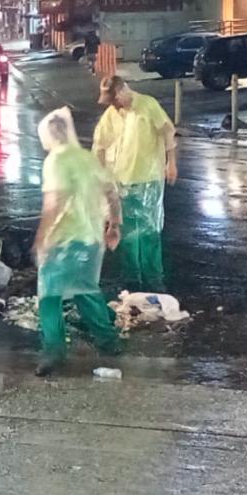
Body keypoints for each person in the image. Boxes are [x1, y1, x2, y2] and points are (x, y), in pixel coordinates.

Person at [33, 107, 123, 376]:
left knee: (49, 297)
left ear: (50, 135)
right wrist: (113, 226)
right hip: (91, 241)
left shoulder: (56, 160)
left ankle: (54, 351)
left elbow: (54, 202)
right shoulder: (87, 158)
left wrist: (41, 238)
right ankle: (109, 342)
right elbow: (111, 192)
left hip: (65, 240)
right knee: (86, 290)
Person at [92, 75, 177, 292]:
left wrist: (171, 163)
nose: (112, 104)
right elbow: (99, 145)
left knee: (149, 231)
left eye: (113, 99)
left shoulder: (147, 105)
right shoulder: (112, 115)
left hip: (148, 180)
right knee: (127, 234)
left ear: (121, 92)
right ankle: (132, 280)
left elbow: (167, 132)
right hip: (121, 181)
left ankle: (154, 278)